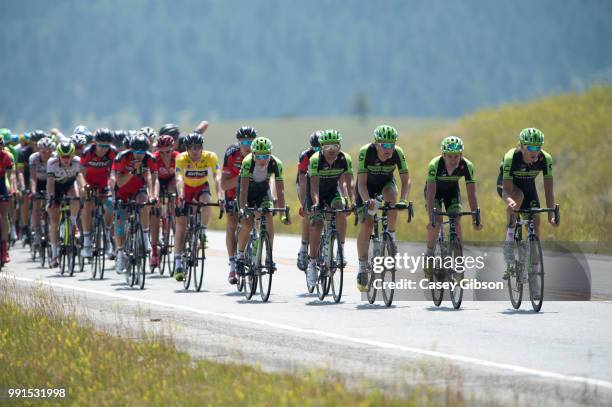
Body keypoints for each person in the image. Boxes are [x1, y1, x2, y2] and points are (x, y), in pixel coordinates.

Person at [497, 128, 558, 281]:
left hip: (528, 186)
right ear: (522, 146)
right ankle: (509, 241)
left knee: (535, 223)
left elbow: (548, 191)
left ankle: (534, 273)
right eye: (531, 147)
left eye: (538, 147)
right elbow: (506, 191)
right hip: (509, 187)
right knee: (518, 198)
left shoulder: (546, 159)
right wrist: (509, 201)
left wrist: (551, 215)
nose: (535, 151)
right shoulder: (512, 157)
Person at [355, 125, 411, 291]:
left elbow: (406, 180)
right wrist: (367, 201)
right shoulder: (366, 152)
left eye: (392, 144)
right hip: (366, 189)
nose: (389, 149)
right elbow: (361, 184)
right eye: (385, 145)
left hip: (386, 184)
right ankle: (362, 265)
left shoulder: (398, 153)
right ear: (377, 144)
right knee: (367, 224)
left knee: (393, 197)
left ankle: (392, 237)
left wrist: (404, 200)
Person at [423, 136, 483, 278]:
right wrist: (431, 215)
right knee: (436, 223)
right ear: (443, 155)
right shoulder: (435, 165)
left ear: (461, 155)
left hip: (452, 193)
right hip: (434, 193)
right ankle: (430, 254)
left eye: (456, 156)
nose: (453, 160)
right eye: (449, 156)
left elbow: (471, 193)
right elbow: (431, 192)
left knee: (456, 221)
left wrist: (476, 217)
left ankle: (458, 263)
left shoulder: (466, 165)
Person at [235, 137, 290, 277]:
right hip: (246, 192)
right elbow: (243, 189)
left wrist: (283, 212)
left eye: (265, 155)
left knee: (268, 216)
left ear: (270, 153)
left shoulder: (276, 164)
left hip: (262, 193)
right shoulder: (248, 162)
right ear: (253, 154)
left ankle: (268, 255)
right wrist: (242, 208)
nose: (262, 159)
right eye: (258, 156)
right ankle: (240, 256)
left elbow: (280, 190)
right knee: (247, 223)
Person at [305, 130, 354, 287]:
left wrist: (349, 201)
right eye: (327, 147)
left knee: (340, 209)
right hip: (315, 193)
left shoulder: (344, 159)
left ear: (339, 146)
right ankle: (312, 263)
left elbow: (347, 183)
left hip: (333, 191)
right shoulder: (315, 159)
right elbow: (313, 187)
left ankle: (341, 249)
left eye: (335, 146)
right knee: (317, 224)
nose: (331, 150)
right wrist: (316, 203)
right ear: (321, 147)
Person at [173, 132, 222, 281]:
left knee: (207, 202)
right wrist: (181, 195)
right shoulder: (181, 158)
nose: (195, 151)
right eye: (191, 148)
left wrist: (220, 196)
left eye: (198, 147)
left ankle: (202, 232)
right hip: (185, 189)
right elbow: (179, 177)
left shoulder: (210, 157)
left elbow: (217, 176)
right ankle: (178, 263)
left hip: (201, 187)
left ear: (202, 148)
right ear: (186, 148)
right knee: (181, 226)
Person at [110, 132, 158, 273]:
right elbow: (119, 182)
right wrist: (132, 171)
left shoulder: (150, 158)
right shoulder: (122, 157)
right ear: (131, 149)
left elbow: (152, 179)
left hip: (139, 189)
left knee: (144, 204)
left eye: (143, 152)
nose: (140, 155)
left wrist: (153, 195)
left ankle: (144, 236)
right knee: (120, 220)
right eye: (137, 152)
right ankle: (120, 253)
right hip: (122, 191)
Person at [220, 126, 256, 284]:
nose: (247, 146)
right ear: (238, 143)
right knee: (232, 225)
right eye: (244, 142)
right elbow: (224, 185)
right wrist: (242, 178)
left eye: (250, 142)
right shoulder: (231, 154)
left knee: (251, 222)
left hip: (251, 192)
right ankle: (233, 265)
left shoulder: (259, 153)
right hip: (233, 192)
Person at [80, 128, 117, 258]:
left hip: (103, 183)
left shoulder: (112, 152)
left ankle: (107, 236)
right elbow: (81, 173)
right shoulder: (87, 152)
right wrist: (84, 185)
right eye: (101, 145)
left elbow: (114, 172)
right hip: (88, 182)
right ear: (95, 143)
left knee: (110, 205)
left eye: (107, 146)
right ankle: (86, 241)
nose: (104, 149)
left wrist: (112, 182)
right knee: (87, 206)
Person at [46, 142, 85, 268]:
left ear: (72, 155)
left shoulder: (77, 161)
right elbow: (50, 183)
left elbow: (80, 178)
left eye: (68, 156)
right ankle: (54, 254)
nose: (66, 159)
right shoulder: (52, 163)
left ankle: (74, 224)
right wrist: (51, 197)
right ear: (59, 155)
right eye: (63, 156)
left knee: (76, 197)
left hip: (69, 184)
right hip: (56, 187)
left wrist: (83, 190)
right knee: (54, 221)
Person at [149, 134, 178, 268]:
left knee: (174, 199)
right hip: (158, 182)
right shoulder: (154, 158)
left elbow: (180, 179)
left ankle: (174, 223)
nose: (165, 155)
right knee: (155, 213)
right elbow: (152, 180)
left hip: (172, 181)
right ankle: (154, 252)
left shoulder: (178, 157)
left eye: (168, 151)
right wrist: (153, 196)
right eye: (162, 152)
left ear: (173, 148)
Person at [296, 131, 321, 271]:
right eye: (315, 148)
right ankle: (304, 246)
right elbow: (303, 182)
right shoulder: (305, 156)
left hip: (323, 184)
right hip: (306, 183)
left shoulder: (330, 154)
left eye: (320, 148)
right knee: (308, 212)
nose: (318, 151)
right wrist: (305, 203)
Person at [0, 136, 17, 262]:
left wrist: (11, 189)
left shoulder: (7, 156)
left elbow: (10, 177)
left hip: (0, 183)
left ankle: (5, 249)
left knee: (4, 214)